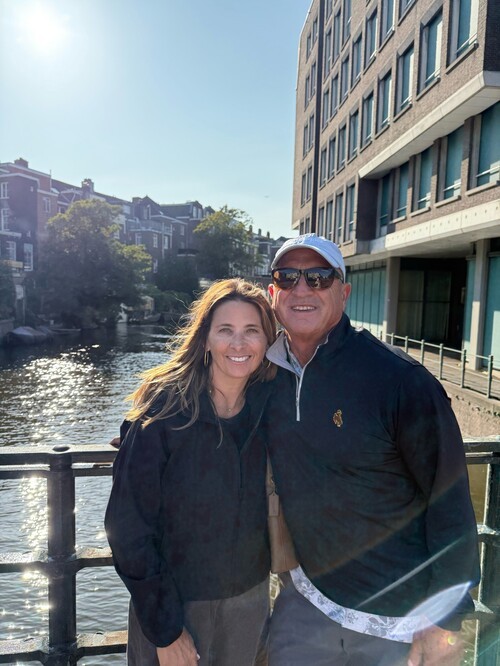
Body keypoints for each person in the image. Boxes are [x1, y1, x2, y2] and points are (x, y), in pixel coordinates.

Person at [264, 233, 480, 666]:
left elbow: (451, 502)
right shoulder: (265, 374)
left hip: (396, 619)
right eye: (287, 277)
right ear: (273, 294)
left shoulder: (400, 380)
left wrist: (446, 618)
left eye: (318, 277)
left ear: (343, 292)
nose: (301, 289)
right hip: (307, 601)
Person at [105, 278, 277, 666]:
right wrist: (165, 630)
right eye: (225, 330)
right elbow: (127, 528)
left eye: (252, 331)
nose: (238, 344)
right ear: (205, 339)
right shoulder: (164, 413)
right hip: (176, 607)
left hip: (249, 602)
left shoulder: (272, 405)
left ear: (268, 340)